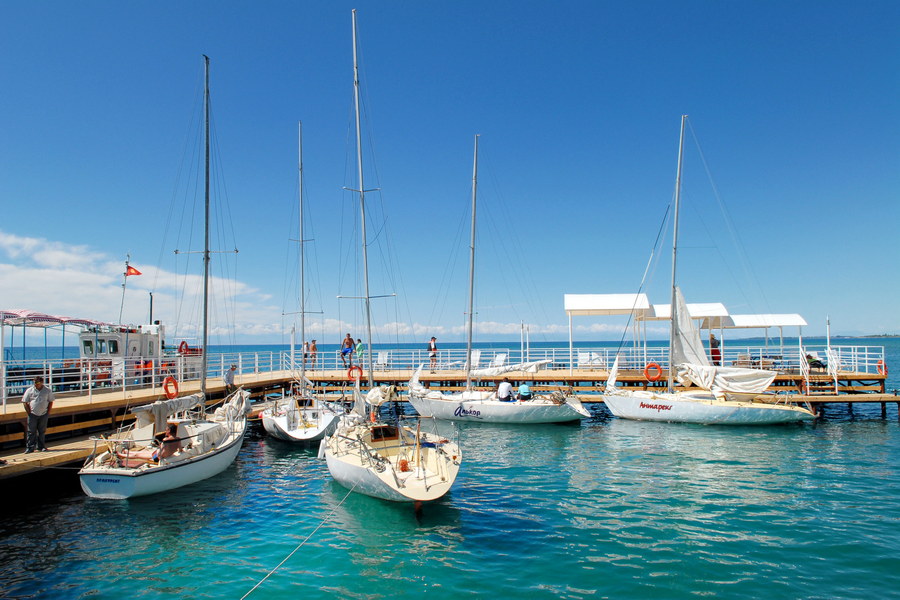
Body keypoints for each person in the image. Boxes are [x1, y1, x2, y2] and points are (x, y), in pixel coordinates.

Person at [22, 376, 54, 453]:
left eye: (38, 382)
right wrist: (29, 412)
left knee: (42, 431)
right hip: (33, 414)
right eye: (35, 382)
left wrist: (48, 412)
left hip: (43, 413)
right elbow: (24, 401)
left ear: (42, 382)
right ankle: (30, 447)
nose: (36, 384)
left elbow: (51, 401)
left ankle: (41, 446)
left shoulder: (47, 390)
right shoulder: (30, 390)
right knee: (31, 431)